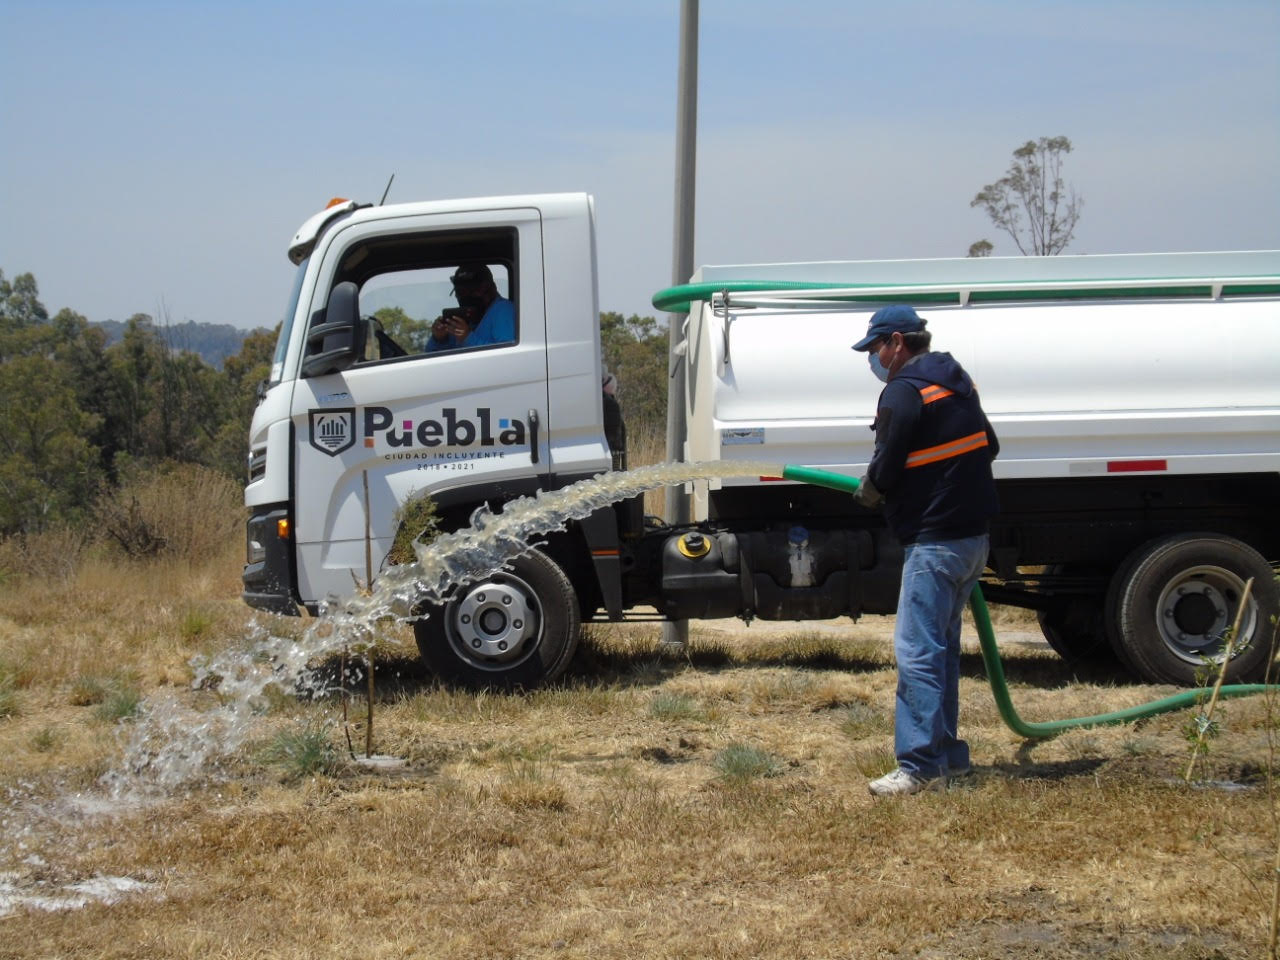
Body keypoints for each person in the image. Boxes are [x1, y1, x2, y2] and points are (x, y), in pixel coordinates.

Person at [851, 304, 999, 797]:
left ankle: (918, 766)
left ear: (896, 342)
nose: (874, 359)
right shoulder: (958, 382)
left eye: (875, 348)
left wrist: (873, 487)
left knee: (917, 653)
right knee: (941, 653)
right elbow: (990, 445)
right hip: (972, 538)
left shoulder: (904, 388)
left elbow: (888, 460)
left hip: (933, 540)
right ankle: (948, 757)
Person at [425, 263, 515, 352]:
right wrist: (439, 339)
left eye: (473, 290)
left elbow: (507, 356)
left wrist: (467, 338)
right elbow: (432, 357)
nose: (467, 296)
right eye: (461, 292)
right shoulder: (465, 320)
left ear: (491, 288)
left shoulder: (503, 310)